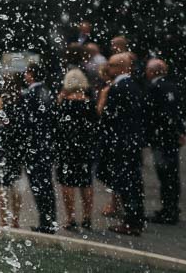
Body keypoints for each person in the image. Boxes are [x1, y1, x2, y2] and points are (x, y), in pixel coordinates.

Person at [99, 52, 145, 236]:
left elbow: (108, 115)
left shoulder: (119, 87)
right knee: (132, 181)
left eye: (111, 65)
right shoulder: (131, 85)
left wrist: (103, 101)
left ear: (121, 67)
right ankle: (134, 218)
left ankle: (132, 220)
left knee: (127, 182)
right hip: (130, 141)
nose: (108, 69)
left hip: (122, 142)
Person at [54, 68, 98, 231]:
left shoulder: (65, 103)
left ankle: (70, 217)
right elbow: (95, 124)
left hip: (67, 147)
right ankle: (87, 217)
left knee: (67, 183)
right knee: (86, 182)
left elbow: (56, 124)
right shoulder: (89, 103)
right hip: (85, 147)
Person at [145, 58, 186, 225]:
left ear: (153, 72)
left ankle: (168, 211)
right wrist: (181, 131)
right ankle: (172, 207)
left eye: (148, 69)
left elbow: (153, 114)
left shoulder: (154, 88)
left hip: (161, 137)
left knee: (165, 174)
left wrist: (147, 135)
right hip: (171, 137)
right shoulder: (172, 86)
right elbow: (178, 111)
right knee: (172, 174)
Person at [19, 61, 57, 233]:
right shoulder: (48, 92)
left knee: (39, 185)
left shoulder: (30, 95)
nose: (24, 75)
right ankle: (50, 220)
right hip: (46, 145)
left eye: (27, 72)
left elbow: (26, 124)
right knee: (46, 185)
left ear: (32, 75)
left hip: (34, 147)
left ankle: (45, 222)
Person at [0, 74, 26, 228]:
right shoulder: (22, 101)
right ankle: (16, 220)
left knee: (2, 184)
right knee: (16, 183)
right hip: (16, 145)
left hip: (0, 146)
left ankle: (4, 220)